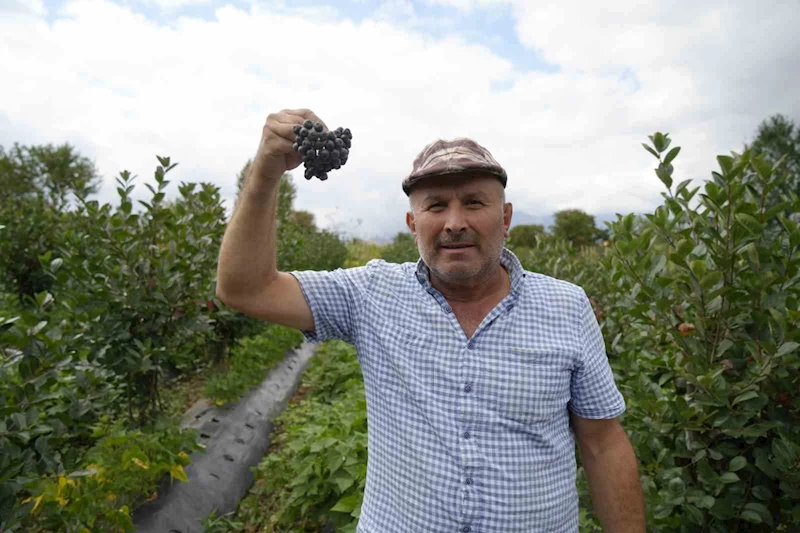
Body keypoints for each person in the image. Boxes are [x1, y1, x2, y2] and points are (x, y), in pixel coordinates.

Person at [216, 108, 646, 533]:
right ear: (412, 224)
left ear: (506, 218)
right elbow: (245, 287)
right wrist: (266, 172)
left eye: (474, 202)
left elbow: (603, 443)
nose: (455, 223)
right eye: (436, 206)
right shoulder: (371, 294)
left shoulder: (566, 307)